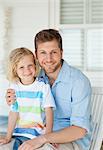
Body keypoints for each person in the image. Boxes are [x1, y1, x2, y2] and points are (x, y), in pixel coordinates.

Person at [5, 29, 92, 150]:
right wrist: (12, 98)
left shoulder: (79, 82)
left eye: (54, 52)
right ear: (36, 55)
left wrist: (45, 138)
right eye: (43, 53)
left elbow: (80, 130)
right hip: (36, 134)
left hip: (69, 140)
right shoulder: (33, 76)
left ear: (61, 52)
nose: (49, 58)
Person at [0, 47, 55, 150]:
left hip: (39, 135)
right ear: (15, 70)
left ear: (35, 65)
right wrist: (8, 136)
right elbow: (14, 112)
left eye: (30, 65)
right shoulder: (14, 87)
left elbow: (49, 111)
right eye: (21, 67)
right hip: (19, 133)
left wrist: (48, 136)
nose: (27, 70)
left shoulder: (43, 86)